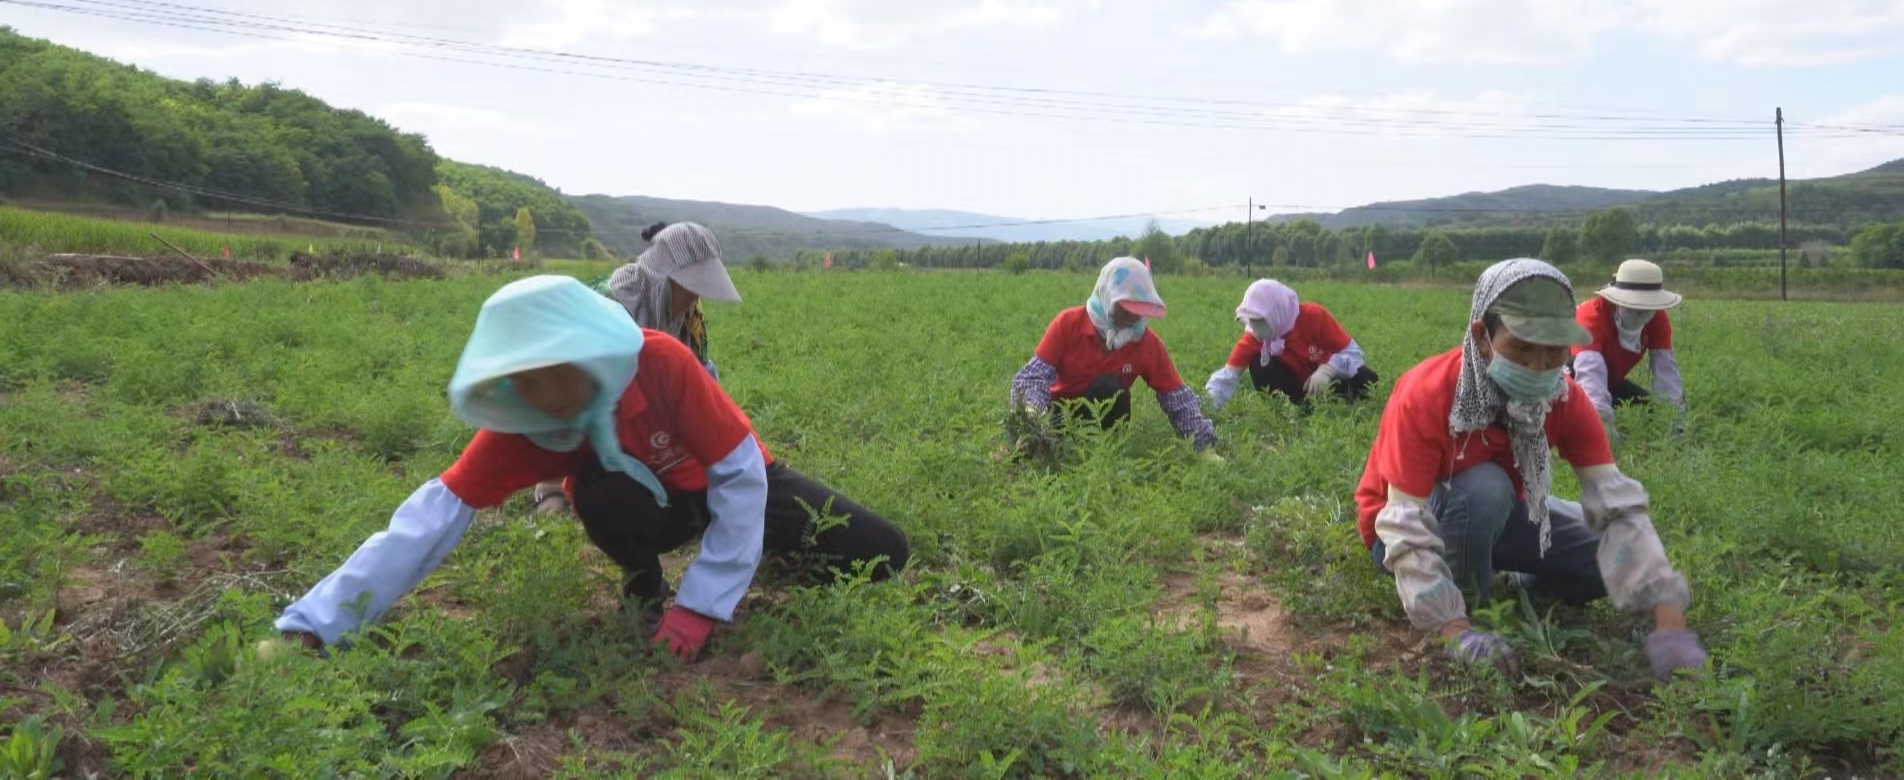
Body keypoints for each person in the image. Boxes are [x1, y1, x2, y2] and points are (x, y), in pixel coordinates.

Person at [270, 276, 908, 663]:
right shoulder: (526, 425)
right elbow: (426, 523)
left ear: (589, 351)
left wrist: (707, 602)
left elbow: (740, 475)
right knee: (601, 488)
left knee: (884, 551)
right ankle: (643, 577)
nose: (544, 396)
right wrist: (312, 626)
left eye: (553, 374)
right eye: (523, 381)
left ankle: (763, 558)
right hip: (649, 513)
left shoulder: (662, 363)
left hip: (725, 486)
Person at [1352, 258, 1705, 681]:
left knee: (1602, 555)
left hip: (1502, 517)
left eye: (1555, 350)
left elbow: (1615, 502)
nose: (1540, 367)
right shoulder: (1428, 392)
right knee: (1486, 487)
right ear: (1483, 337)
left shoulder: (1565, 399)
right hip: (1401, 533)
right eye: (1522, 347)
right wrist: (1454, 629)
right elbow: (1403, 522)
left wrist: (1668, 618)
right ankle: (1470, 611)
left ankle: (1518, 575)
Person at [529, 221, 742, 514]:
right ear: (663, 276)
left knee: (705, 373)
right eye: (689, 287)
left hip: (639, 408)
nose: (694, 297)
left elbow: (696, 371)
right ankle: (552, 485)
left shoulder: (689, 310)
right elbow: (572, 378)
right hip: (588, 394)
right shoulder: (611, 302)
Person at [1008, 256, 1217, 453]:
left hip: (1104, 422)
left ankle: (1104, 456)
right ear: (1107, 297)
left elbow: (1177, 398)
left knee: (1112, 389)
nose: (1132, 316)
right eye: (1125, 307)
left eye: (1138, 309)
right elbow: (1033, 376)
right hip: (1057, 415)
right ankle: (1044, 449)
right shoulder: (1068, 324)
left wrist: (1203, 447)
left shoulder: (1145, 343)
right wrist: (1032, 413)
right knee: (1028, 447)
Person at [1205, 279, 1379, 409]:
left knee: (1366, 378)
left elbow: (1355, 354)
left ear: (1277, 312)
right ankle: (1293, 408)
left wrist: (1329, 369)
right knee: (1260, 365)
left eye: (1260, 321)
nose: (1255, 328)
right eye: (1251, 321)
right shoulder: (1254, 337)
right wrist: (1203, 408)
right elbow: (1227, 377)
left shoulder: (1313, 316)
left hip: (1328, 382)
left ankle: (1327, 403)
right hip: (1293, 389)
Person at [1571, 259, 1684, 436]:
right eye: (1635, 307)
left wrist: (1672, 419)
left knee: (1650, 411)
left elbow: (1666, 373)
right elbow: (1589, 373)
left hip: (1610, 381)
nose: (1642, 313)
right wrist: (1600, 421)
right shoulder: (1591, 316)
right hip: (1562, 380)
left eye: (1647, 308)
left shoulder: (1657, 318)